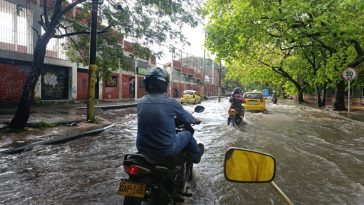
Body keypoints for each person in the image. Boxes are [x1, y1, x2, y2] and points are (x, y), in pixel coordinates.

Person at [136, 67, 204, 163]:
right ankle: (196, 157)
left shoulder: (141, 102)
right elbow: (187, 117)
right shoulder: (171, 102)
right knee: (188, 135)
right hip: (166, 150)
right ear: (164, 84)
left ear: (147, 83)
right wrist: (196, 120)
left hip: (142, 148)